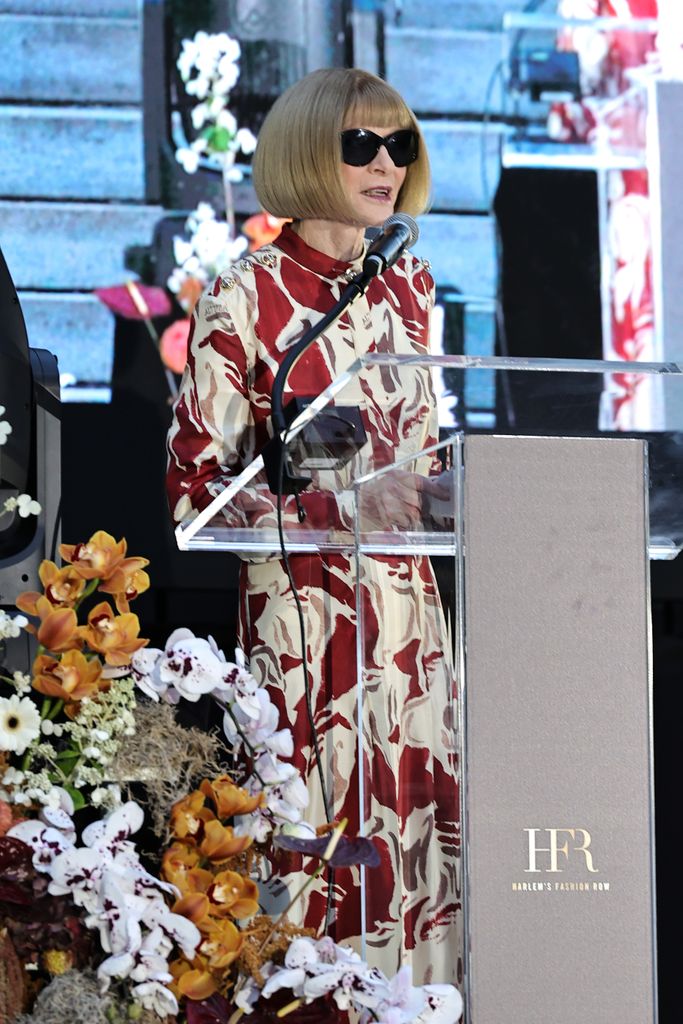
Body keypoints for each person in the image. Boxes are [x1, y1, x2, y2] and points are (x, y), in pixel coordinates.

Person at [166, 67, 460, 986]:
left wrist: (456, 490)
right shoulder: (244, 294)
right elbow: (196, 493)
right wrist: (339, 506)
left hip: (409, 628)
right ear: (305, 152)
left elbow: (423, 454)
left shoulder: (409, 283)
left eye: (398, 145)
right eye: (360, 144)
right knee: (317, 869)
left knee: (418, 857)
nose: (384, 163)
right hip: (304, 633)